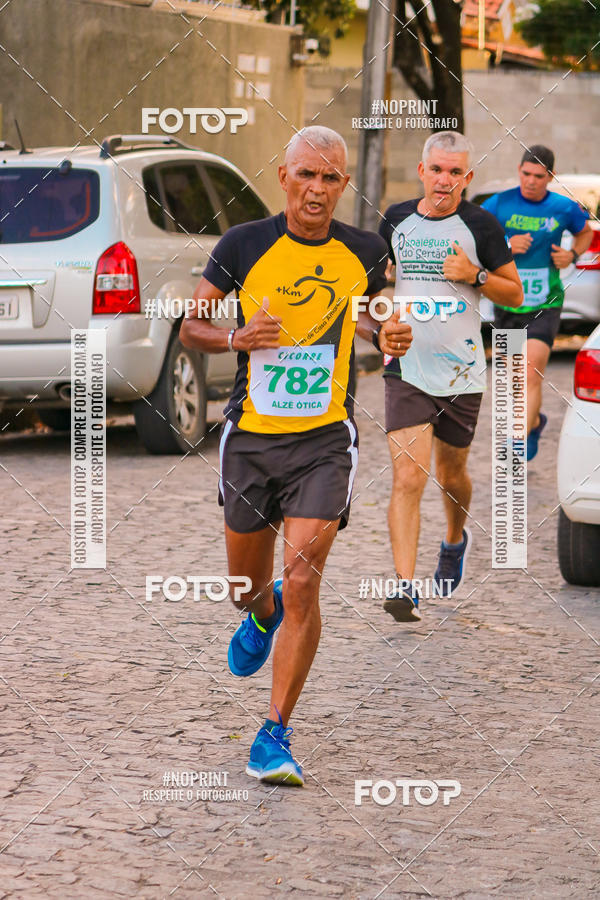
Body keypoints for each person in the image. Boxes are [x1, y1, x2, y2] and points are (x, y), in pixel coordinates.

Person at [180, 125, 411, 786]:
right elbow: (191, 327)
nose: (317, 189)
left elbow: (370, 315)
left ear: (344, 185)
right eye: (306, 174)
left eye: (330, 178)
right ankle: (261, 612)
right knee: (245, 589)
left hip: (325, 440)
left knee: (304, 578)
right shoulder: (243, 244)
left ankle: (274, 734)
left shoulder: (365, 249)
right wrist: (236, 337)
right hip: (252, 439)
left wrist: (388, 330)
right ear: (284, 176)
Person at [378, 131, 523, 624]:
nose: (444, 180)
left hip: (462, 371)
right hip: (407, 367)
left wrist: (474, 274)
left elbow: (515, 294)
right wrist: (383, 320)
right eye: (437, 169)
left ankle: (455, 539)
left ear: (468, 177)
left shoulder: (481, 225)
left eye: (455, 172)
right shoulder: (396, 219)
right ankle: (404, 586)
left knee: (452, 476)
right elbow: (374, 286)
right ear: (422, 171)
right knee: (408, 476)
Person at [482, 145, 593, 460]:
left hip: (546, 302)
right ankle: (533, 423)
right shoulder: (498, 203)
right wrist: (506, 244)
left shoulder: (563, 207)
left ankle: (515, 443)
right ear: (519, 171)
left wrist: (571, 254)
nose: (531, 181)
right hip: (508, 302)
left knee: (530, 372)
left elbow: (585, 233)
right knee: (514, 380)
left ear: (551, 176)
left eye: (539, 176)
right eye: (526, 174)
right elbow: (477, 239)